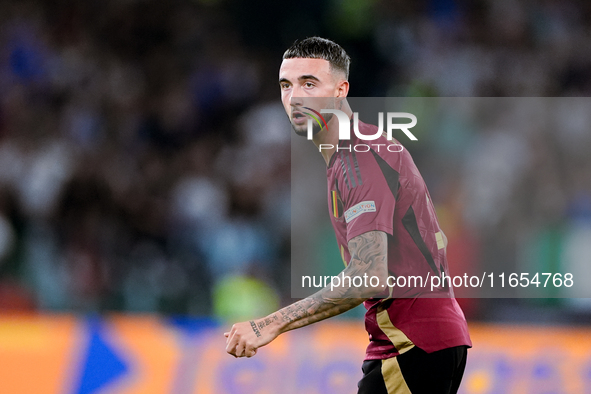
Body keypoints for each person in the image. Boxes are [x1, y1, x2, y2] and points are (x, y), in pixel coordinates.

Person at [225, 36, 472, 394]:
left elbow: (369, 275)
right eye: (285, 85)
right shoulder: (355, 152)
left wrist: (270, 324)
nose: (294, 97)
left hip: (411, 344)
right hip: (423, 342)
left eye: (309, 83)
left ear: (341, 90)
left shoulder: (358, 158)